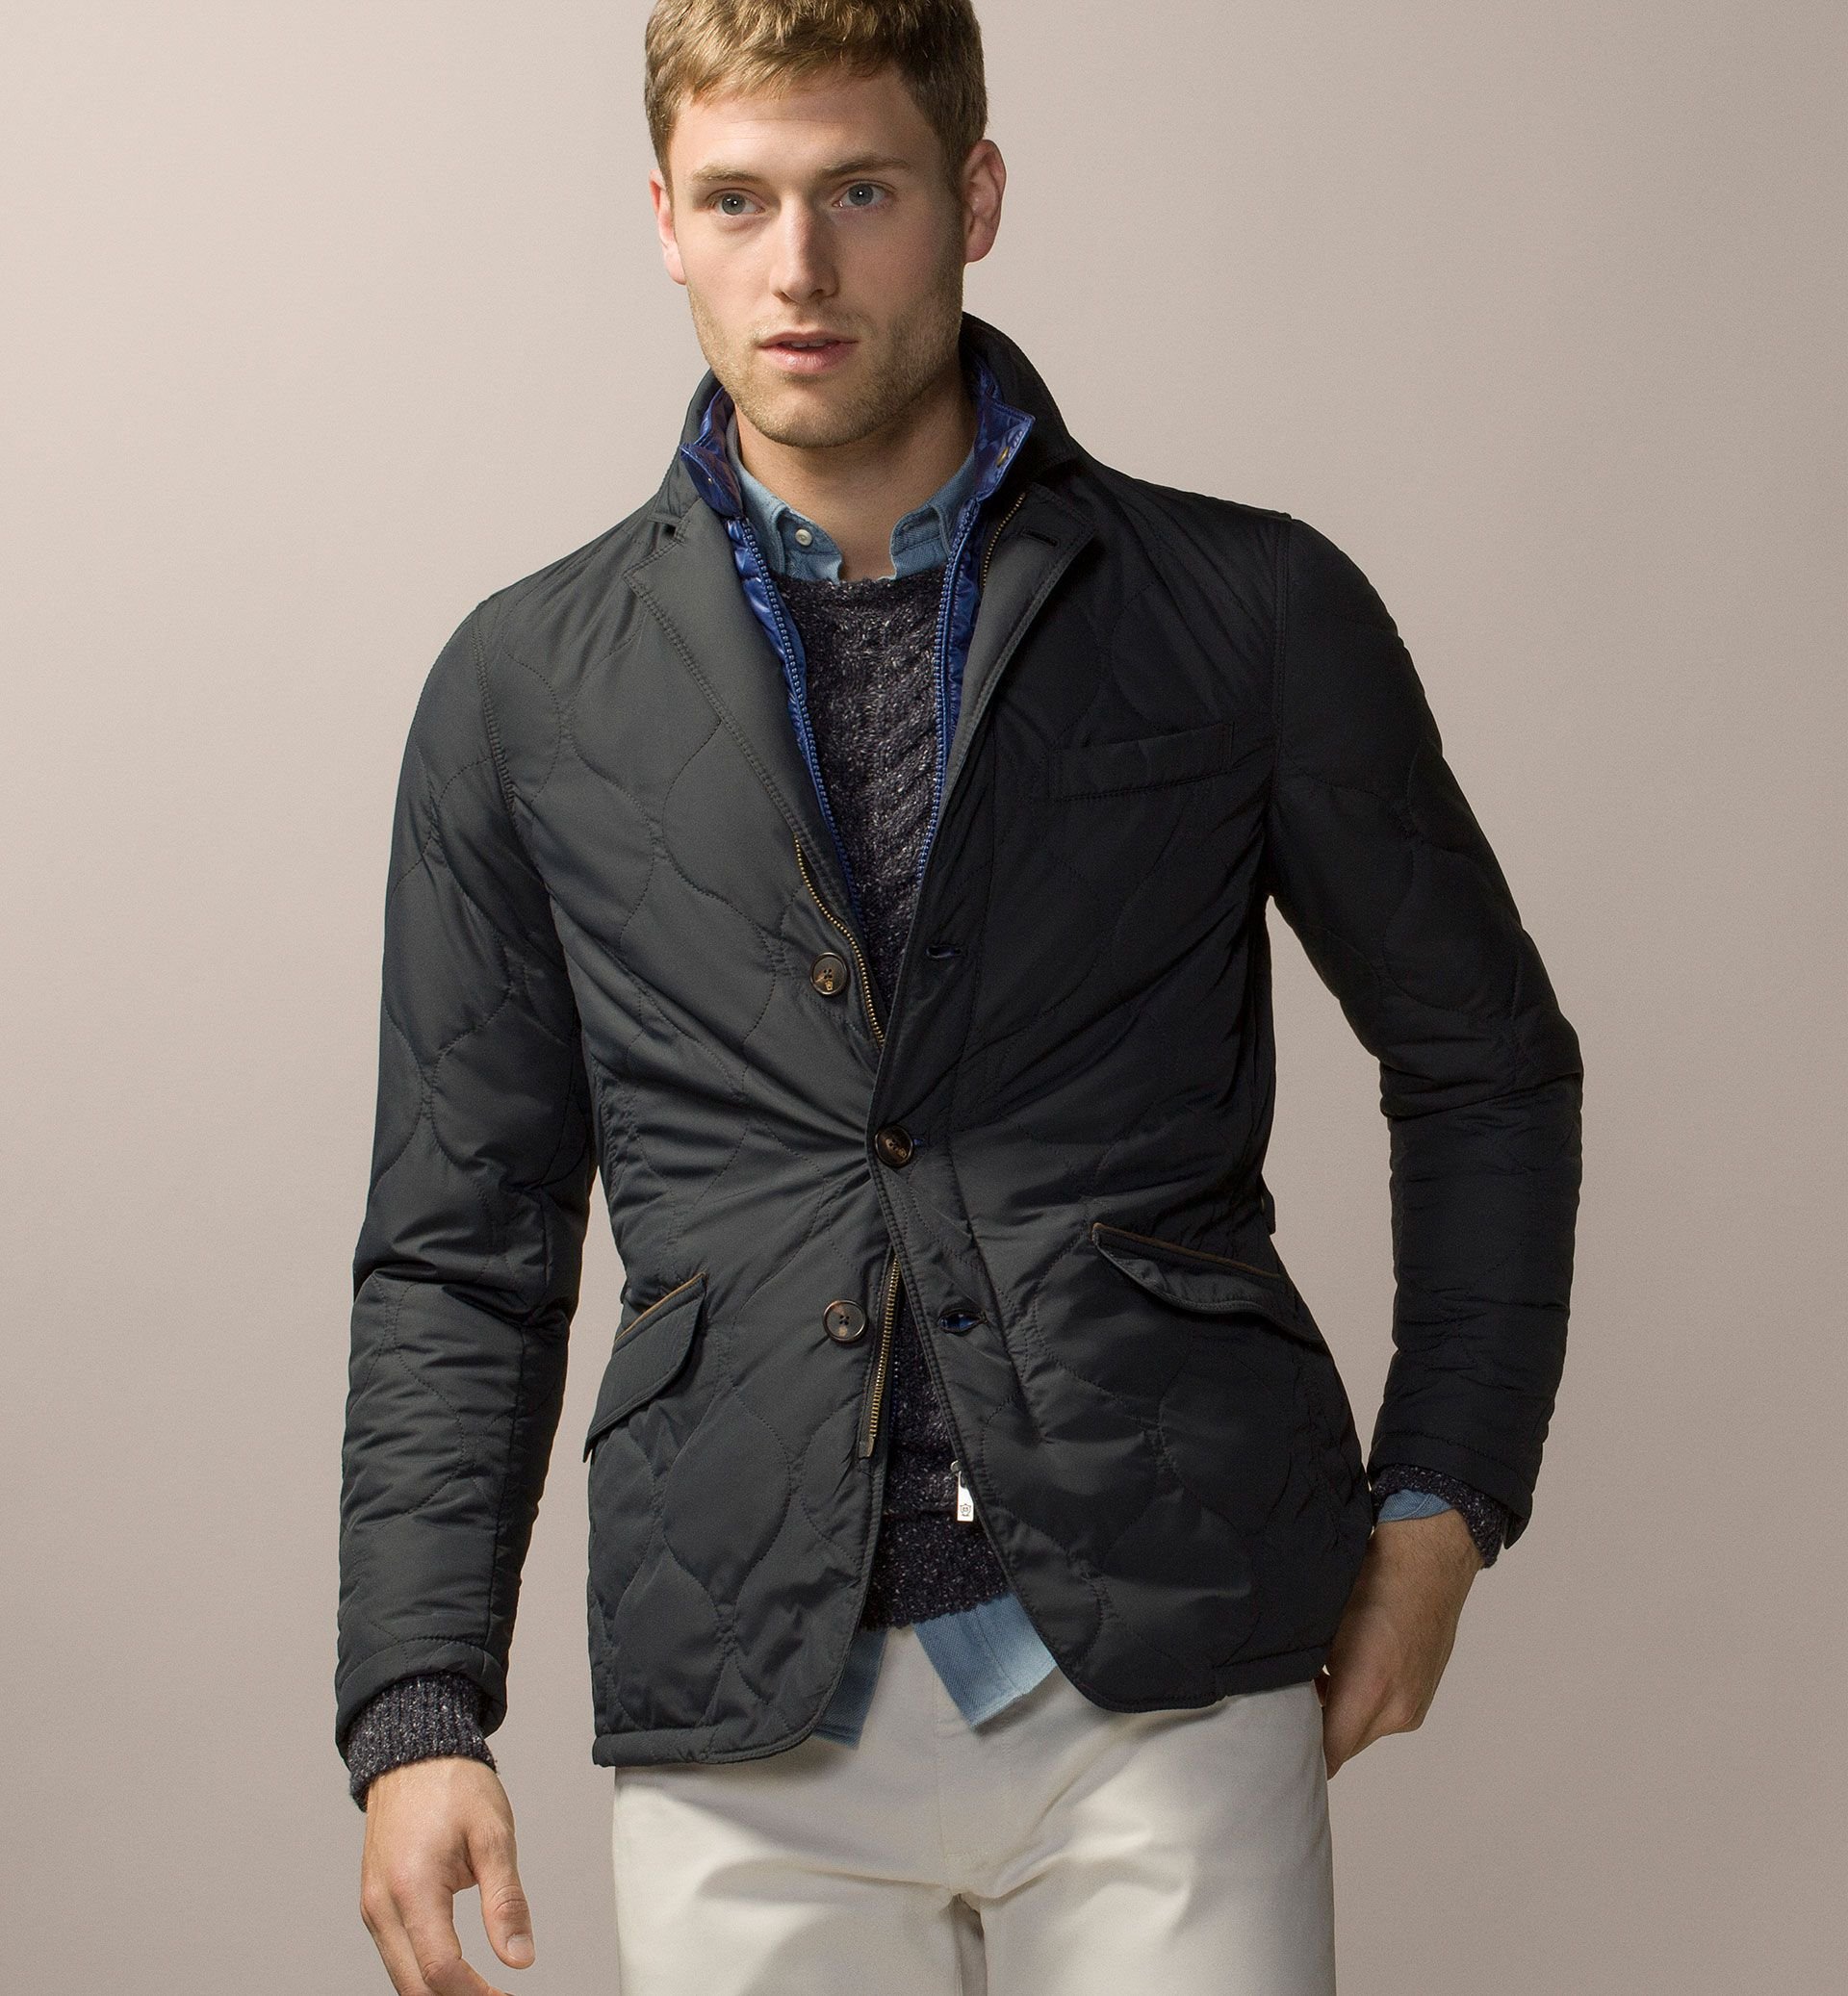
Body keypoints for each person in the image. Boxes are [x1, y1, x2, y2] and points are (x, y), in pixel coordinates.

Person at [335, 3, 1583, 1991]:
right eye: (737, 201)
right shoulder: (521, 691)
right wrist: (418, 1703)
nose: (797, 268)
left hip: (1168, 1661)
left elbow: (1487, 1063)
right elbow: (458, 1241)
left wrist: (1443, 1502)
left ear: (974, 196)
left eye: (860, 193)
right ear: (661, 219)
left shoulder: (1249, 611)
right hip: (743, 1692)